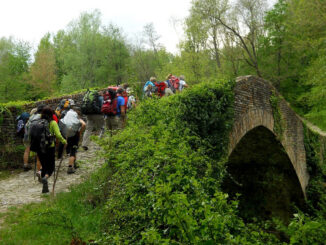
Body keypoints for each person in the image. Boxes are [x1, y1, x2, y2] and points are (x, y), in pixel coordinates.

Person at [37, 106, 67, 193]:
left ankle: (44, 187)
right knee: (51, 167)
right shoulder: (53, 123)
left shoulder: (38, 122)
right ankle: (46, 178)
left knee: (44, 165)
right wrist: (64, 141)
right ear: (51, 114)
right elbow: (58, 134)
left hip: (39, 147)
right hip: (50, 147)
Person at [60, 106, 86, 174]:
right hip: (74, 134)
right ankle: (70, 167)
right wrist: (80, 132)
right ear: (78, 111)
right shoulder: (76, 116)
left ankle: (75, 163)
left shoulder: (67, 113)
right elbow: (83, 124)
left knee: (70, 148)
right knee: (73, 150)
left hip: (65, 133)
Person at [23, 105, 44, 173]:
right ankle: (40, 169)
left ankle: (25, 164)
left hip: (26, 136)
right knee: (38, 152)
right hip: (33, 137)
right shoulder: (39, 119)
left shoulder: (29, 120)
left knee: (27, 150)